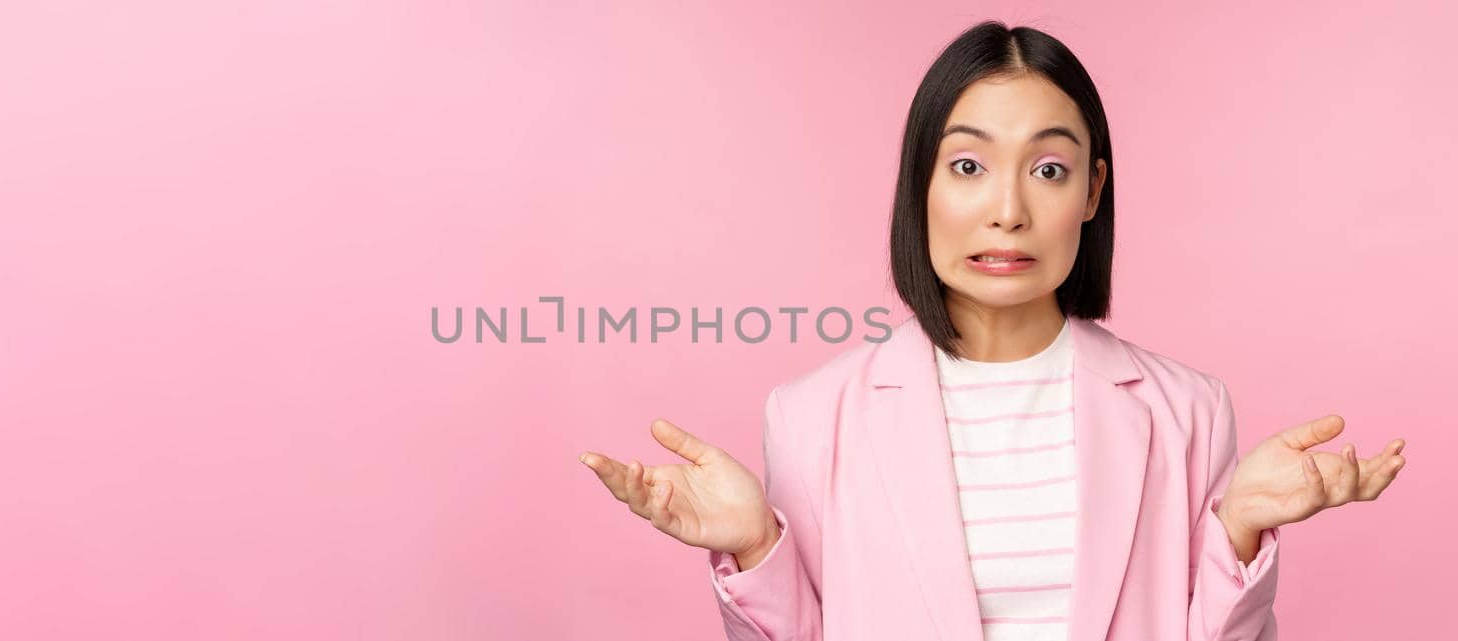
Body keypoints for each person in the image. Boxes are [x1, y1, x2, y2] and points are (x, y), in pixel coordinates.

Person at [578, 19, 1408, 641]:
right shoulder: (810, 415)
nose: (1008, 211)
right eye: (968, 165)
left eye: (1049, 169)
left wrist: (1240, 536)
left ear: (1092, 191)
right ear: (922, 185)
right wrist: (758, 547)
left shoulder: (1188, 409)